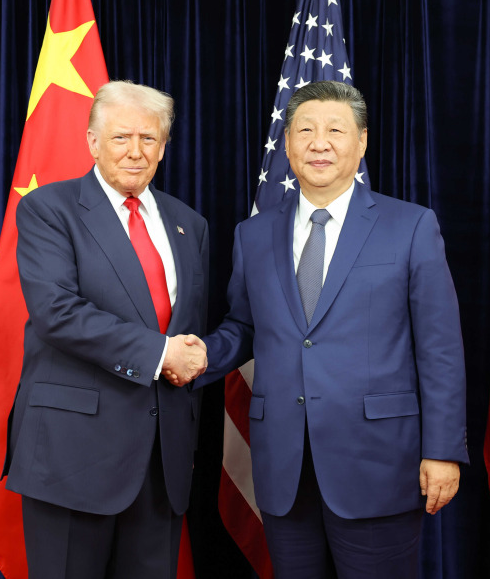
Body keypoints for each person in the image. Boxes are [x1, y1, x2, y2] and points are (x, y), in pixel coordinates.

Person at [191, 81, 468, 578]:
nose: (319, 143)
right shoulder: (253, 234)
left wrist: (443, 451)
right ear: (287, 144)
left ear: (361, 142)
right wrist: (198, 357)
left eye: (335, 130)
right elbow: (246, 327)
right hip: (284, 467)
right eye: (305, 131)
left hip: (378, 464)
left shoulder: (410, 226)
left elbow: (440, 348)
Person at [2, 80, 209, 579]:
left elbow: (187, 327)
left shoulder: (190, 224)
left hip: (162, 463)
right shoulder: (49, 209)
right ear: (93, 142)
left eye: (149, 138)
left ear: (163, 146)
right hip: (72, 456)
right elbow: (57, 312)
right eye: (121, 137)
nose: (136, 151)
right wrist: (161, 354)